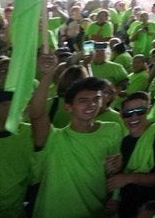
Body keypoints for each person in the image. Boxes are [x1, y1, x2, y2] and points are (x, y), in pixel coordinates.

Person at [31, 55, 125, 217]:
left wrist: (115, 198)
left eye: (96, 99)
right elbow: (37, 115)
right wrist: (47, 75)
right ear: (68, 107)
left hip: (96, 211)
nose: (91, 105)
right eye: (83, 100)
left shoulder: (112, 129)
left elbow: (113, 172)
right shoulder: (53, 138)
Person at [106, 92, 155, 217]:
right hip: (128, 209)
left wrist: (129, 178)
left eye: (140, 111)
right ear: (121, 116)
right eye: (128, 113)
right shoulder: (125, 142)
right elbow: (122, 180)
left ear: (149, 110)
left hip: (154, 211)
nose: (134, 117)